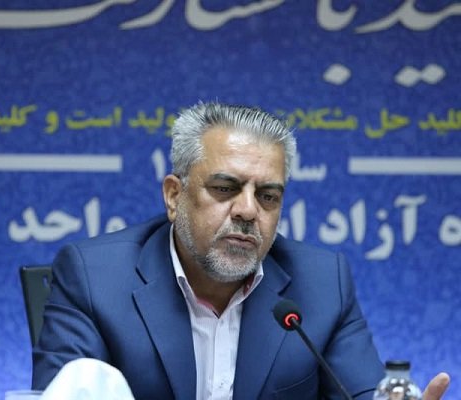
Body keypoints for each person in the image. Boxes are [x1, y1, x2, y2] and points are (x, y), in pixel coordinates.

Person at [32, 102, 450, 399]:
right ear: (175, 196)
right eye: (224, 188)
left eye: (268, 196)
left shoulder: (323, 284)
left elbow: (360, 393)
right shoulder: (94, 277)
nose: (248, 211)